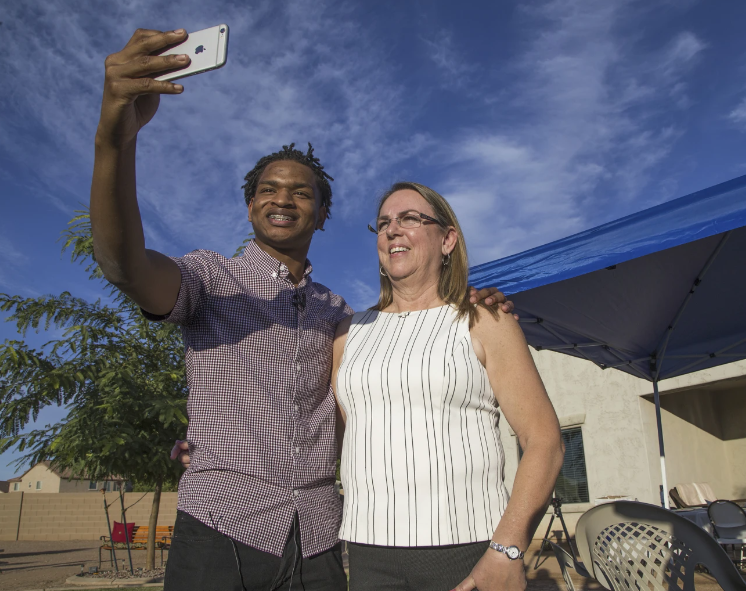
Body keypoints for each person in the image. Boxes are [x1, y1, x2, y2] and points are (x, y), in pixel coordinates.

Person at [91, 28, 512, 591]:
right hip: (222, 524)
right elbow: (125, 265)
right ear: (249, 208)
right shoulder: (209, 280)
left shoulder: (338, 314)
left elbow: (381, 378)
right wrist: (114, 139)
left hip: (318, 536)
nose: (283, 198)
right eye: (268, 189)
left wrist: (475, 299)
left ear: (320, 216)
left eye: (302, 192)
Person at [331, 182, 565, 591]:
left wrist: (508, 549)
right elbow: (340, 435)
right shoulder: (348, 334)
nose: (392, 230)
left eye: (410, 219)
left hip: (467, 553)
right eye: (384, 223)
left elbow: (544, 440)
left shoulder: (486, 320)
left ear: (448, 239)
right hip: (367, 555)